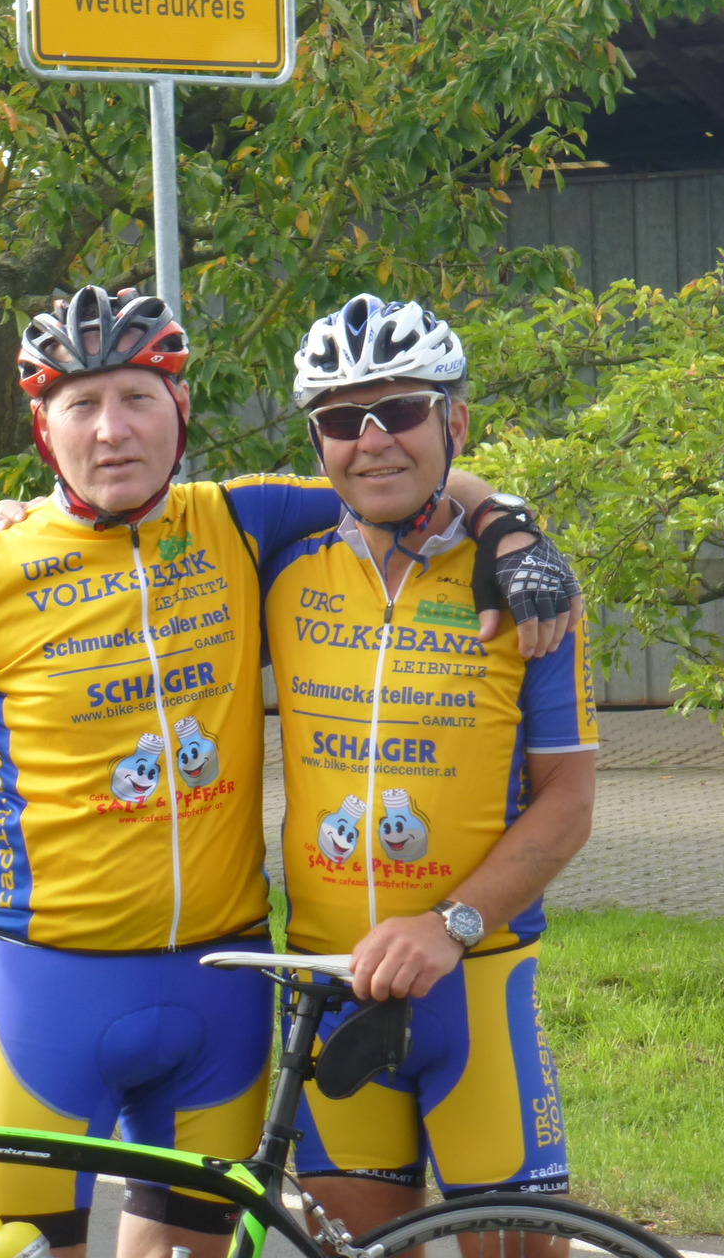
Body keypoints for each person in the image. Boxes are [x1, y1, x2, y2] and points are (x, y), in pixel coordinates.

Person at [0, 285, 578, 1258]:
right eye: (80, 405)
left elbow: (396, 474)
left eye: (135, 397)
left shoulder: (244, 525)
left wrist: (510, 526)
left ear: (179, 410)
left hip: (219, 992)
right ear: (44, 433)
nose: (111, 429)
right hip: (47, 997)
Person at [269, 295, 596, 1250]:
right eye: (340, 419)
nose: (371, 442)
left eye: (401, 410)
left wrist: (451, 927)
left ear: (454, 421)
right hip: (330, 988)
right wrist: (18, 510)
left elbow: (568, 804)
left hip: (476, 982)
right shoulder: (278, 562)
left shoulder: (526, 587)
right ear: (318, 441)